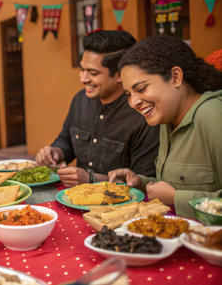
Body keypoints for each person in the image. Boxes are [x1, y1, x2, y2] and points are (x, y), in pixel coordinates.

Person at [109, 35, 222, 218]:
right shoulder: (167, 120)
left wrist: (176, 198)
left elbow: (175, 194)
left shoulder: (214, 115)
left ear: (175, 77)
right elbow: (174, 184)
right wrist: (141, 183)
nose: (134, 102)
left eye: (142, 89)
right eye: (128, 94)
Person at [36, 30, 159, 186]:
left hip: (121, 207)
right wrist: (55, 152)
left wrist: (92, 179)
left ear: (120, 74)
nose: (83, 78)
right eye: (82, 69)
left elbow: (144, 181)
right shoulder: (80, 100)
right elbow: (65, 140)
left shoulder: (143, 113)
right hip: (72, 198)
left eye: (93, 73)